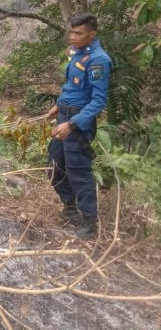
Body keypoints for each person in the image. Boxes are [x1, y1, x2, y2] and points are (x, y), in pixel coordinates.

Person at [46, 14, 112, 239]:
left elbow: (98, 101)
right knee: (54, 168)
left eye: (78, 33)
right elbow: (71, 86)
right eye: (71, 32)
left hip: (77, 124)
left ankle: (89, 225)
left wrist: (72, 125)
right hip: (64, 116)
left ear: (91, 35)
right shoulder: (79, 55)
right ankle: (71, 209)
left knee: (79, 174)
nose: (72, 37)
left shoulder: (98, 60)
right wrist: (58, 105)